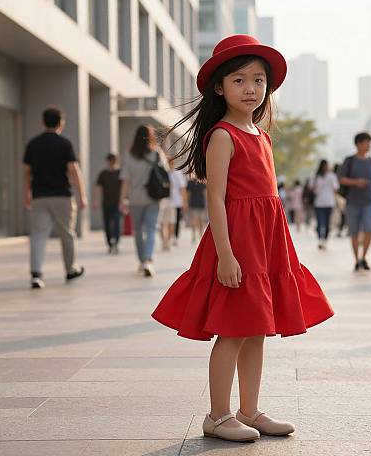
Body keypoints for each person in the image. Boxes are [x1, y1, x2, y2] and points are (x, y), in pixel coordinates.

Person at [152, 35, 334, 442]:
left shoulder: (262, 136)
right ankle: (217, 415)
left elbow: (268, 201)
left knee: (257, 329)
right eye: (239, 80)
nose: (250, 88)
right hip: (236, 243)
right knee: (232, 329)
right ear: (220, 87)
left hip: (266, 242)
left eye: (258, 80)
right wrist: (225, 256)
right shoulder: (222, 135)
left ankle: (249, 410)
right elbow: (216, 198)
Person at [23, 106, 86, 289]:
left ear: (43, 122)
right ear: (61, 123)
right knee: (66, 233)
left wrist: (27, 194)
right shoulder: (65, 144)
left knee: (38, 235)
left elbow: (26, 173)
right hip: (62, 196)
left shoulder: (33, 144)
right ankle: (70, 269)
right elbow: (73, 170)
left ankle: (36, 273)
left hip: (39, 196)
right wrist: (82, 196)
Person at [119, 125, 167, 277]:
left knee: (138, 231)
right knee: (152, 228)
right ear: (150, 137)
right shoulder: (156, 153)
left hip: (135, 198)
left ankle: (142, 260)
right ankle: (148, 260)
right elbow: (166, 173)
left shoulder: (129, 155)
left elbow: (125, 180)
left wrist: (122, 199)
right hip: (154, 197)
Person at [338, 132, 371, 271]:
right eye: (367, 142)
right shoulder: (350, 160)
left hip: (369, 201)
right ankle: (356, 260)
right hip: (352, 202)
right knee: (354, 232)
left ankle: (364, 257)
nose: (369, 145)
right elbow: (341, 179)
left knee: (370, 229)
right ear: (359, 143)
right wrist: (356, 182)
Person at [93, 153, 121, 254]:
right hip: (106, 203)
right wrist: (96, 201)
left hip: (118, 203)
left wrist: (125, 200)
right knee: (107, 225)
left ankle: (116, 243)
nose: (112, 163)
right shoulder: (103, 174)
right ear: (108, 161)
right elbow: (98, 188)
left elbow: (125, 187)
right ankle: (110, 244)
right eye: (111, 161)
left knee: (117, 223)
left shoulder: (120, 173)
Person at [311, 160, 339, 249]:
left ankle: (323, 240)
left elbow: (336, 188)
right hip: (321, 203)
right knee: (321, 222)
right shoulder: (318, 177)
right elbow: (336, 188)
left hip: (327, 202)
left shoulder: (330, 176)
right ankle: (321, 240)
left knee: (325, 223)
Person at [187, 176, 207, 243]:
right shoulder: (202, 181)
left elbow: (188, 194)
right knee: (200, 219)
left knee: (195, 220)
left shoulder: (191, 182)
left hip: (194, 203)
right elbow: (205, 193)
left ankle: (195, 235)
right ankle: (199, 235)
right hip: (199, 203)